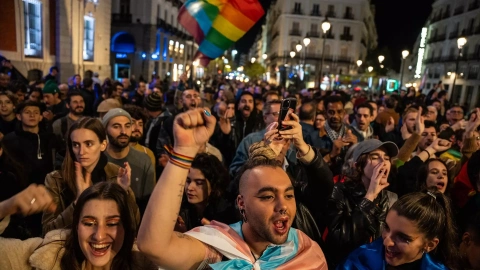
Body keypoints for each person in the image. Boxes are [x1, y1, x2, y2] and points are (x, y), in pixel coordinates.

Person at [137, 108, 328, 269]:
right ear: (241, 203)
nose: (283, 205)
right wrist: (183, 152)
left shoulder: (306, 252)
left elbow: (324, 187)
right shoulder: (219, 246)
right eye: (268, 196)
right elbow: (154, 246)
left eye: (289, 195)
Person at [0, 182, 156, 270]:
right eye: (89, 223)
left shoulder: (145, 263)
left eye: (112, 223)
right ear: (76, 226)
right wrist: (5, 207)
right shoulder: (45, 254)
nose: (99, 235)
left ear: (127, 227)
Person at [42, 117, 138, 234]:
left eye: (88, 144)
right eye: (76, 145)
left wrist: (123, 193)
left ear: (103, 145)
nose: (81, 152)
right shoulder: (55, 179)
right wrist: (78, 202)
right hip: (70, 247)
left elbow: (135, 223)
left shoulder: (115, 173)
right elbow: (47, 231)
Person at [339, 190, 459, 270]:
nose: (386, 242)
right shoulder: (361, 260)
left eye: (403, 237)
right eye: (387, 227)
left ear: (430, 245)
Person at [325, 139, 399, 266]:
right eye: (375, 157)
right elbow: (338, 241)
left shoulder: (392, 198)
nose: (383, 162)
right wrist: (369, 196)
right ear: (358, 165)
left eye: (387, 158)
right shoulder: (340, 191)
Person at [102, 109, 155, 216]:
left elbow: (149, 202)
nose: (123, 132)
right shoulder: (98, 159)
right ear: (105, 130)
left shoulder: (144, 160)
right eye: (116, 126)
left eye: (127, 126)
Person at [176, 153, 236, 232]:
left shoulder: (226, 212)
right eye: (188, 181)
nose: (190, 188)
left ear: (214, 184)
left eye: (199, 183)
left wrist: (216, 234)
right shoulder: (181, 207)